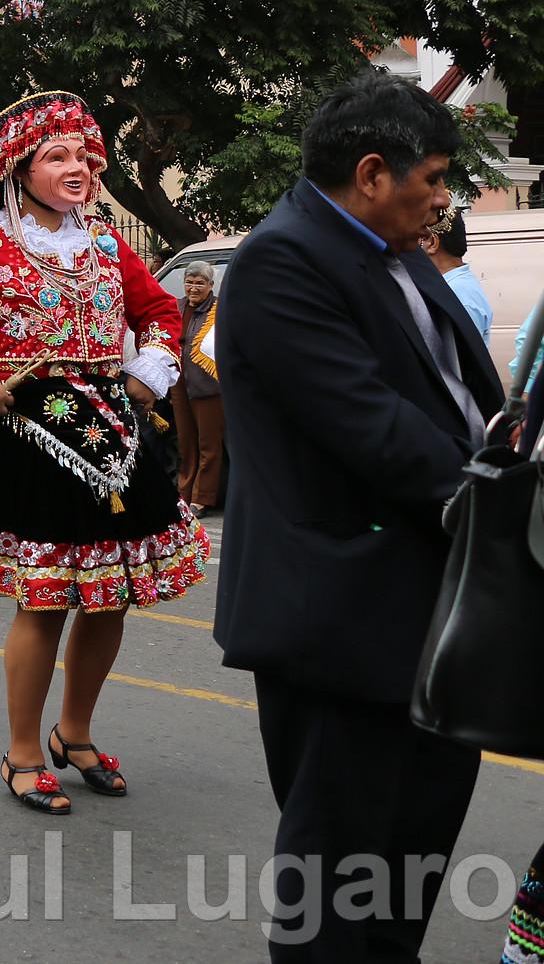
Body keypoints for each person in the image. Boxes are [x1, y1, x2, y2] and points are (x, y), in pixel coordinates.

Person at [214, 71, 499, 958]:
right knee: (338, 880)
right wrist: (499, 497)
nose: (444, 200)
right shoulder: (280, 259)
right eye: (436, 179)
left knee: (409, 862)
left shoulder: (401, 252)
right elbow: (370, 426)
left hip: (436, 607)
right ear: (373, 172)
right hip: (341, 613)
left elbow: (455, 396)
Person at [0, 91, 205, 815]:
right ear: (17, 168)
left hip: (114, 434)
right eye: (56, 157)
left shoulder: (101, 241)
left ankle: (76, 730)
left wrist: (148, 370)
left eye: (83, 159)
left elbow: (158, 310)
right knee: (44, 600)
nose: (77, 170)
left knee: (112, 594)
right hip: (28, 433)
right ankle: (24, 749)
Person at [169, 261, 225, 518]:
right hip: (179, 382)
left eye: (200, 283)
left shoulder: (219, 310)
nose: (193, 288)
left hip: (209, 385)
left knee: (208, 444)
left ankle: (202, 498)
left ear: (210, 286)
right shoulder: (176, 307)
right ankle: (184, 493)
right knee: (186, 441)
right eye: (189, 282)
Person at [423, 203, 492, 344]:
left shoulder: (459, 294)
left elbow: (461, 360)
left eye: (419, 237)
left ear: (432, 242)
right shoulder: (453, 288)